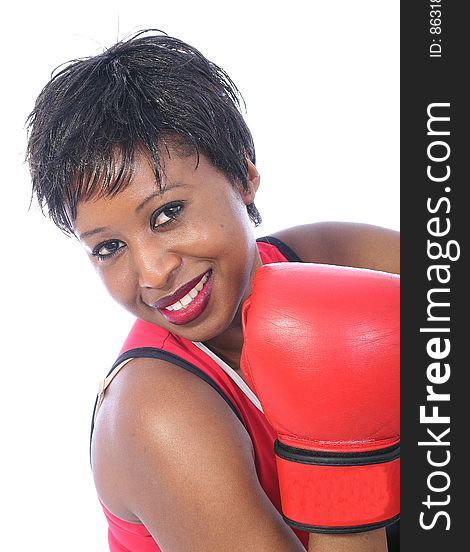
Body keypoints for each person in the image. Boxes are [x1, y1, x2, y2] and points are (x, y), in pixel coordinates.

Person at [26, 31, 400, 552]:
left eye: (167, 213)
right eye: (109, 247)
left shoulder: (331, 255)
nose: (152, 273)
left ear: (244, 177)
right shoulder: (157, 415)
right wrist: (343, 465)